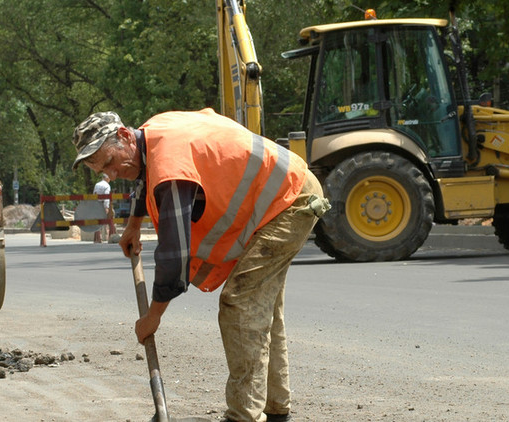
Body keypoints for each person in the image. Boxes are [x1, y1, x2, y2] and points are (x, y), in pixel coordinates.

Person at [72, 109, 329, 422]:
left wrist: (153, 317)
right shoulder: (153, 133)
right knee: (262, 308)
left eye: (110, 163)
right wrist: (134, 223)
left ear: (125, 136)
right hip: (284, 192)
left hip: (289, 200)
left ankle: (244, 415)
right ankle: (275, 408)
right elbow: (144, 174)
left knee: (241, 304)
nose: (111, 175)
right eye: (103, 171)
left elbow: (174, 254)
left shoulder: (170, 164)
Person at [92, 173, 116, 243]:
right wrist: (106, 207)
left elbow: (94, 194)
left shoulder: (97, 184)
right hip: (103, 204)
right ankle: (111, 237)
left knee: (98, 221)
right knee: (110, 220)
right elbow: (106, 197)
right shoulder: (107, 186)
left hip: (97, 204)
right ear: (107, 178)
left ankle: (97, 239)